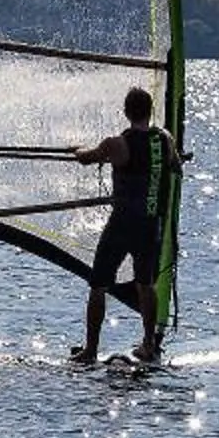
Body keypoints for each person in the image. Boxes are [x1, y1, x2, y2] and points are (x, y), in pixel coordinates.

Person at [67, 86, 180, 364]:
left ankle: (90, 350)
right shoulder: (165, 138)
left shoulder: (116, 144)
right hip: (150, 225)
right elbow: (175, 165)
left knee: (98, 285)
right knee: (146, 284)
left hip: (122, 225)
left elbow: (86, 157)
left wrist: (75, 149)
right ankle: (149, 344)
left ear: (126, 112)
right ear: (151, 111)